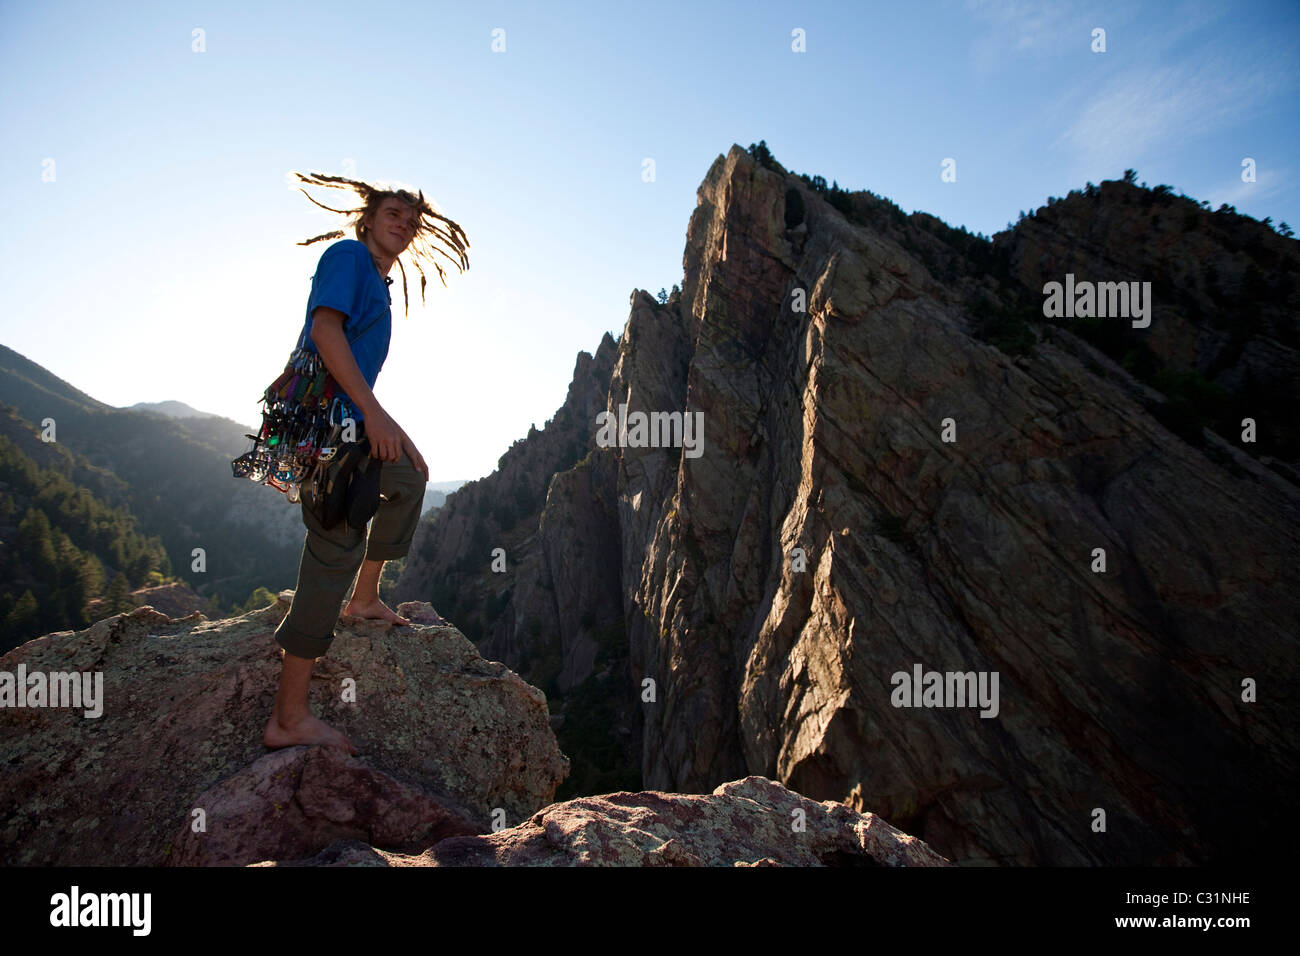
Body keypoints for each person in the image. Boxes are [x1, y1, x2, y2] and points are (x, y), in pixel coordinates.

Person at [263, 173, 470, 755]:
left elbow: (356, 368)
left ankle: (363, 599)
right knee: (334, 544)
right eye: (394, 213)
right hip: (327, 422)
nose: (404, 225)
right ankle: (289, 717)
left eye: (412, 220)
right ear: (368, 219)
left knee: (409, 477)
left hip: (348, 414)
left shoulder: (377, 281)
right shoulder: (349, 256)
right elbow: (325, 331)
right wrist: (376, 420)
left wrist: (393, 430)